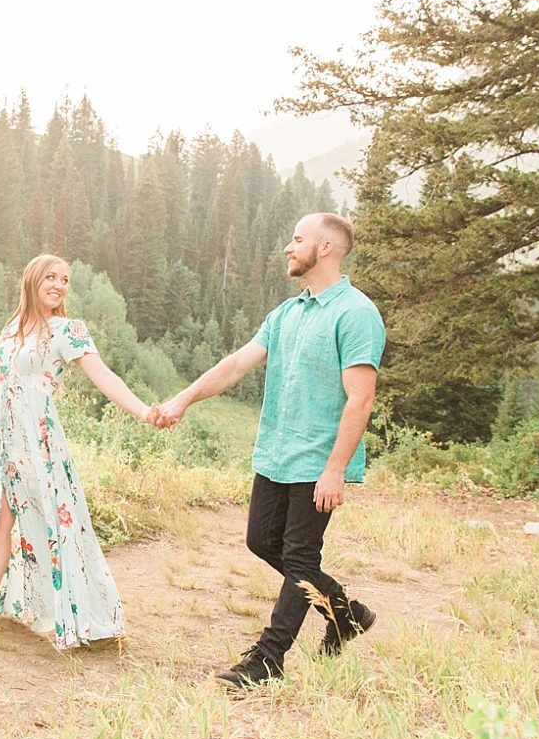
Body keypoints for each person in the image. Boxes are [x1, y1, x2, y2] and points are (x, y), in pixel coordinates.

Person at [152, 212, 385, 688]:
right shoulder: (287, 313)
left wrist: (335, 469)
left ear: (325, 248)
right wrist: (182, 400)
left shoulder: (356, 314)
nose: (288, 247)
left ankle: (268, 659)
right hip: (277, 452)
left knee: (299, 557)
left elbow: (360, 399)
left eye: (298, 239)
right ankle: (346, 614)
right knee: (261, 541)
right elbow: (236, 364)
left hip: (317, 460)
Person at [0, 253, 157, 650]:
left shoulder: (67, 330)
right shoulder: (14, 327)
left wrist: (142, 410)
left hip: (37, 441)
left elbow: (102, 374)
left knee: (56, 520)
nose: (59, 285)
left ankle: (80, 615)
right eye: (51, 277)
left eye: (65, 280)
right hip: (2, 439)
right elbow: (1, 380)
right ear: (33, 280)